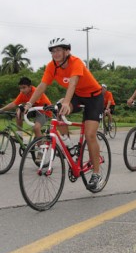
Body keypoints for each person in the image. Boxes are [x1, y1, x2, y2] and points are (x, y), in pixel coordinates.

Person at [23, 38, 104, 190]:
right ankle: (69, 145)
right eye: (53, 51)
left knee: (90, 134)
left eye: (59, 50)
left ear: (67, 51)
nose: (56, 53)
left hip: (94, 97)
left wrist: (66, 102)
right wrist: (28, 104)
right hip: (78, 95)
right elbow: (42, 86)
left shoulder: (76, 62)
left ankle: (96, 173)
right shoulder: (51, 66)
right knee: (57, 111)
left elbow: (72, 83)